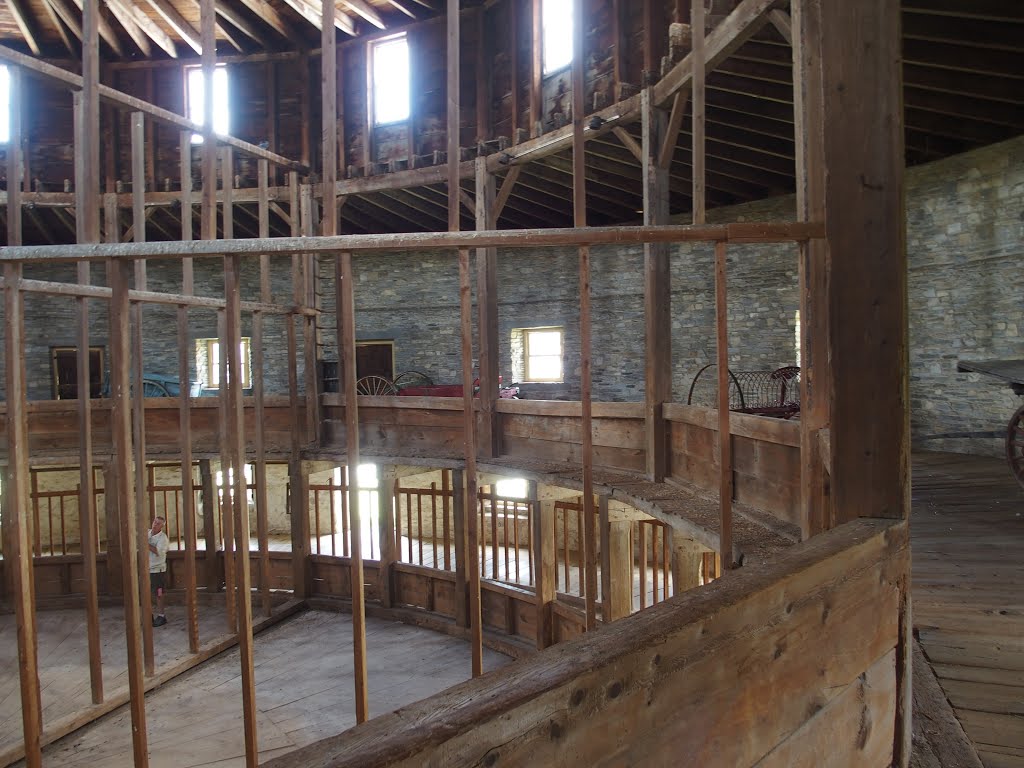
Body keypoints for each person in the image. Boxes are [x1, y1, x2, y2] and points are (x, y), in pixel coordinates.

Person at [148, 516, 169, 627]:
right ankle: (148, 614)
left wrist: (146, 545)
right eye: (155, 522)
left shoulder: (163, 539)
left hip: (157, 570)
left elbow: (158, 552)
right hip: (146, 569)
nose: (155, 525)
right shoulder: (147, 533)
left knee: (159, 593)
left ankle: (161, 615)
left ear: (162, 526)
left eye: (158, 523)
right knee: (146, 592)